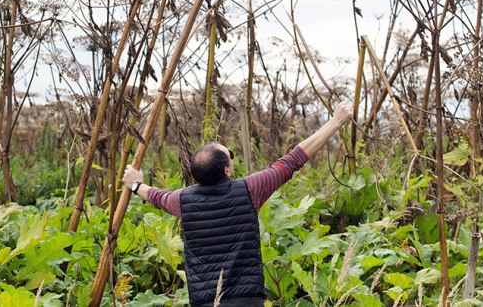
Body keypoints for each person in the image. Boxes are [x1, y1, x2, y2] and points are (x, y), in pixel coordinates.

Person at [122, 100, 353, 307]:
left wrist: (135, 185)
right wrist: (335, 121)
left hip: (205, 301)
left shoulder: (182, 200)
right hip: (247, 300)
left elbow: (156, 196)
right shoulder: (249, 190)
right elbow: (293, 160)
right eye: (229, 156)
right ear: (227, 169)